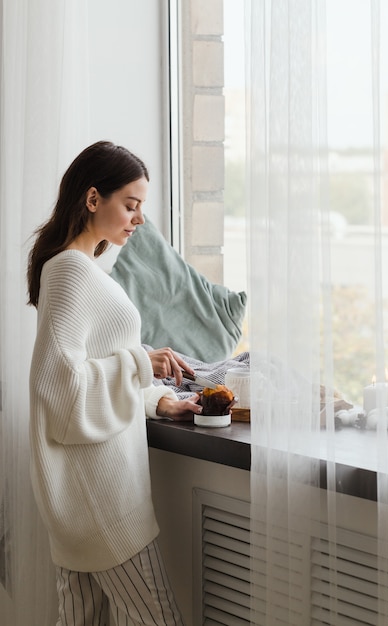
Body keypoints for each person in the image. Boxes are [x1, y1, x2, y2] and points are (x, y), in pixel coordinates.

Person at [27, 140, 203, 626]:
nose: (139, 219)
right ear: (91, 199)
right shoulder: (69, 272)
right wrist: (143, 363)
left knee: (81, 618)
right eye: (131, 205)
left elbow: (93, 365)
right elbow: (58, 386)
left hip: (87, 489)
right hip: (100, 493)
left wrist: (156, 402)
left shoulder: (85, 271)